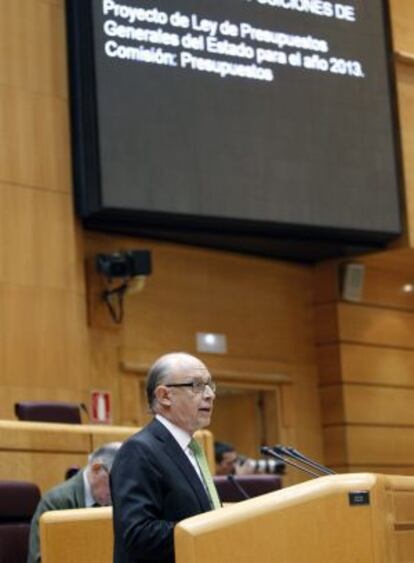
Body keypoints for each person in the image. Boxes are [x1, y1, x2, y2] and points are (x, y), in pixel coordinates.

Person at [110, 352, 220, 563]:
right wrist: (206, 530)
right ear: (164, 396)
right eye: (197, 386)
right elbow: (137, 534)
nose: (209, 394)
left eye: (210, 385)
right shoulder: (138, 450)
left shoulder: (192, 449)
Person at [27, 441, 121, 563]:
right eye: (117, 482)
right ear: (97, 469)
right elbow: (39, 559)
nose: (120, 491)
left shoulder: (118, 502)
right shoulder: (55, 503)